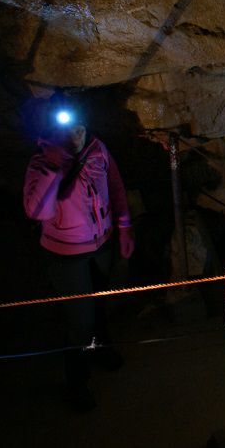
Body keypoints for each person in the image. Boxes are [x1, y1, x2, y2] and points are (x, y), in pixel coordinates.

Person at [22, 102, 135, 411]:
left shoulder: (97, 150)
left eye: (80, 128)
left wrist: (124, 227)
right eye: (68, 130)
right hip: (66, 255)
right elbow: (36, 211)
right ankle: (77, 381)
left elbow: (116, 187)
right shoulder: (41, 164)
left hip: (102, 244)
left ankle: (101, 349)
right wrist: (56, 167)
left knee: (99, 303)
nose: (76, 136)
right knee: (80, 321)